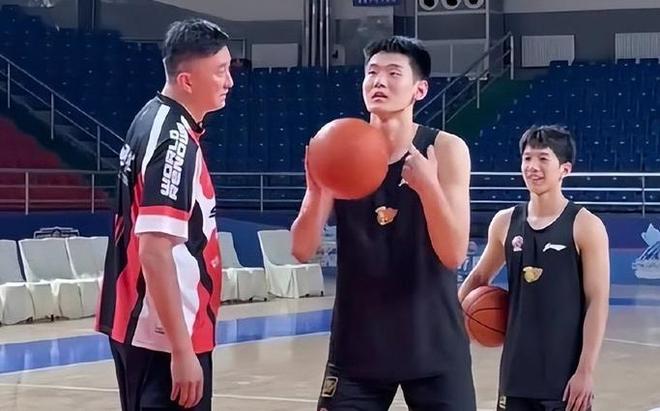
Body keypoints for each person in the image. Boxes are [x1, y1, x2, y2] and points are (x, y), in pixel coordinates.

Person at [291, 35, 476, 410]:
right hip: (358, 349)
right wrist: (316, 189)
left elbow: (454, 253)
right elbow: (301, 250)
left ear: (419, 89)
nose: (379, 81)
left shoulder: (445, 149)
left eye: (394, 73)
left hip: (432, 344)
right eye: (372, 72)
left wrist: (428, 188)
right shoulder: (339, 146)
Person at [96, 18, 233, 411]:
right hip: (162, 337)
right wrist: (182, 349)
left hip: (142, 326)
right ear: (187, 80)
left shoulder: (152, 117)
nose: (229, 82)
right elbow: (154, 250)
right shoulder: (173, 142)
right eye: (220, 71)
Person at [458, 125, 610, 411]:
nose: (532, 167)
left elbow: (597, 303)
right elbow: (478, 277)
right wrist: (452, 322)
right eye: (527, 158)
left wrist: (586, 371)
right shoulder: (505, 222)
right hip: (515, 375)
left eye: (543, 159)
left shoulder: (585, 225)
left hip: (565, 378)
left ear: (565, 169)